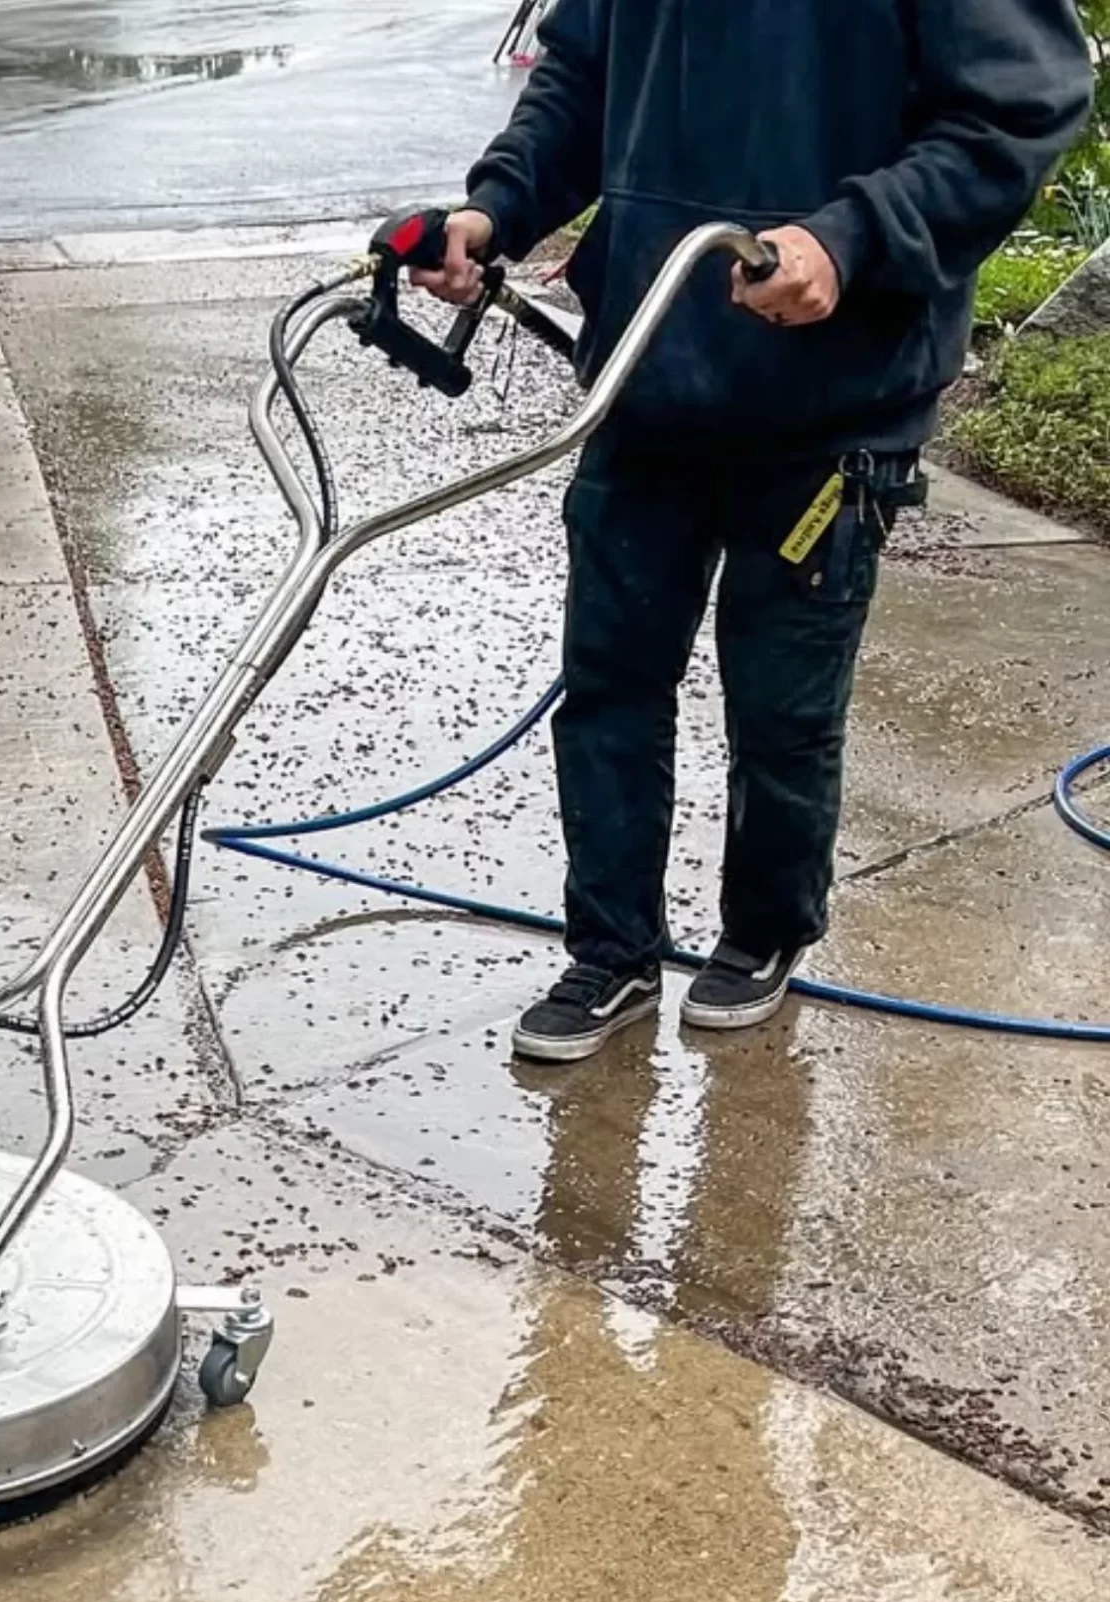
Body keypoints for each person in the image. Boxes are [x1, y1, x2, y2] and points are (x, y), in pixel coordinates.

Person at [414, 0, 1095, 1062]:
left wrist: (848, 236)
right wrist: (495, 209)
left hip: (832, 403)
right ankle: (610, 951)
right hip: (648, 375)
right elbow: (580, 79)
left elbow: (1015, 111)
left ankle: (763, 934)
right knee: (608, 686)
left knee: (782, 707)